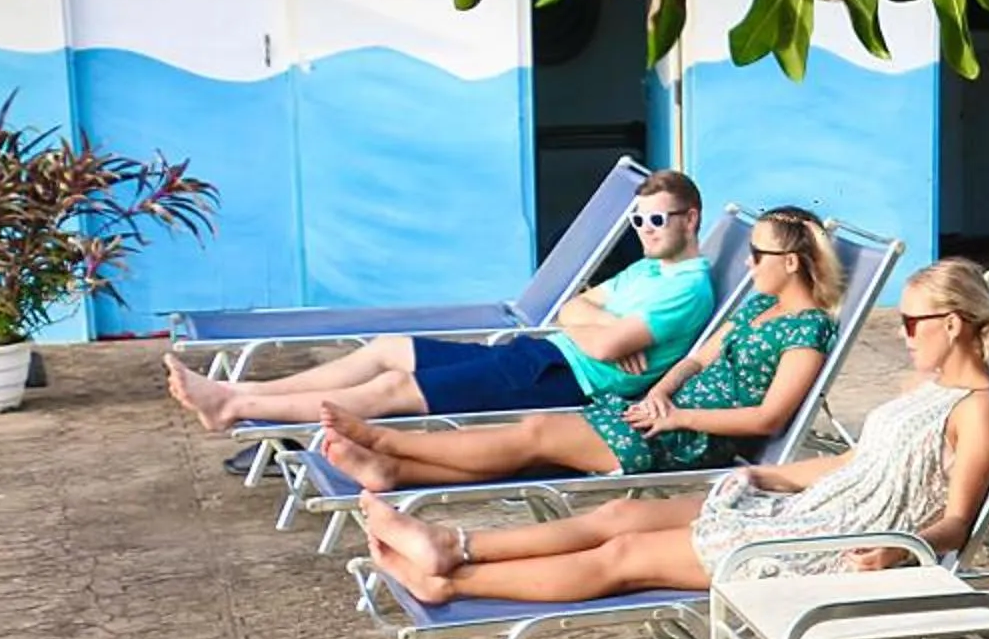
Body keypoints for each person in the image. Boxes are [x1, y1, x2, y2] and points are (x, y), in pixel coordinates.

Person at [356, 257, 989, 607]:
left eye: (912, 322)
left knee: (626, 562)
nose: (902, 333)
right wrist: (771, 475)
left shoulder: (976, 409)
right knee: (619, 513)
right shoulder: (921, 389)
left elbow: (957, 519)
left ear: (952, 324)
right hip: (810, 507)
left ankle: (451, 579)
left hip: (840, 543)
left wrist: (898, 548)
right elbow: (861, 464)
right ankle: (455, 542)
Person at [313, 207, 843, 490]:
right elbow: (697, 359)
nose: (749, 264)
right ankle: (392, 470)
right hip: (659, 414)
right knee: (531, 447)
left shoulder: (807, 329)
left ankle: (383, 442)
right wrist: (661, 392)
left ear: (791, 263)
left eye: (759, 254)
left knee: (536, 434)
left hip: (689, 438)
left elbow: (767, 419)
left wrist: (679, 418)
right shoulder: (757, 308)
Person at [165, 170, 719, 428]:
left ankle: (236, 407)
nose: (644, 229)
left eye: (656, 219)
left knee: (391, 389)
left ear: (690, 218)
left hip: (563, 380)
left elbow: (601, 346)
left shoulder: (687, 287)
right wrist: (589, 319)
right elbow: (572, 308)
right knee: (389, 349)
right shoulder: (648, 268)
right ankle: (242, 388)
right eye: (638, 219)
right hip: (542, 356)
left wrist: (594, 324)